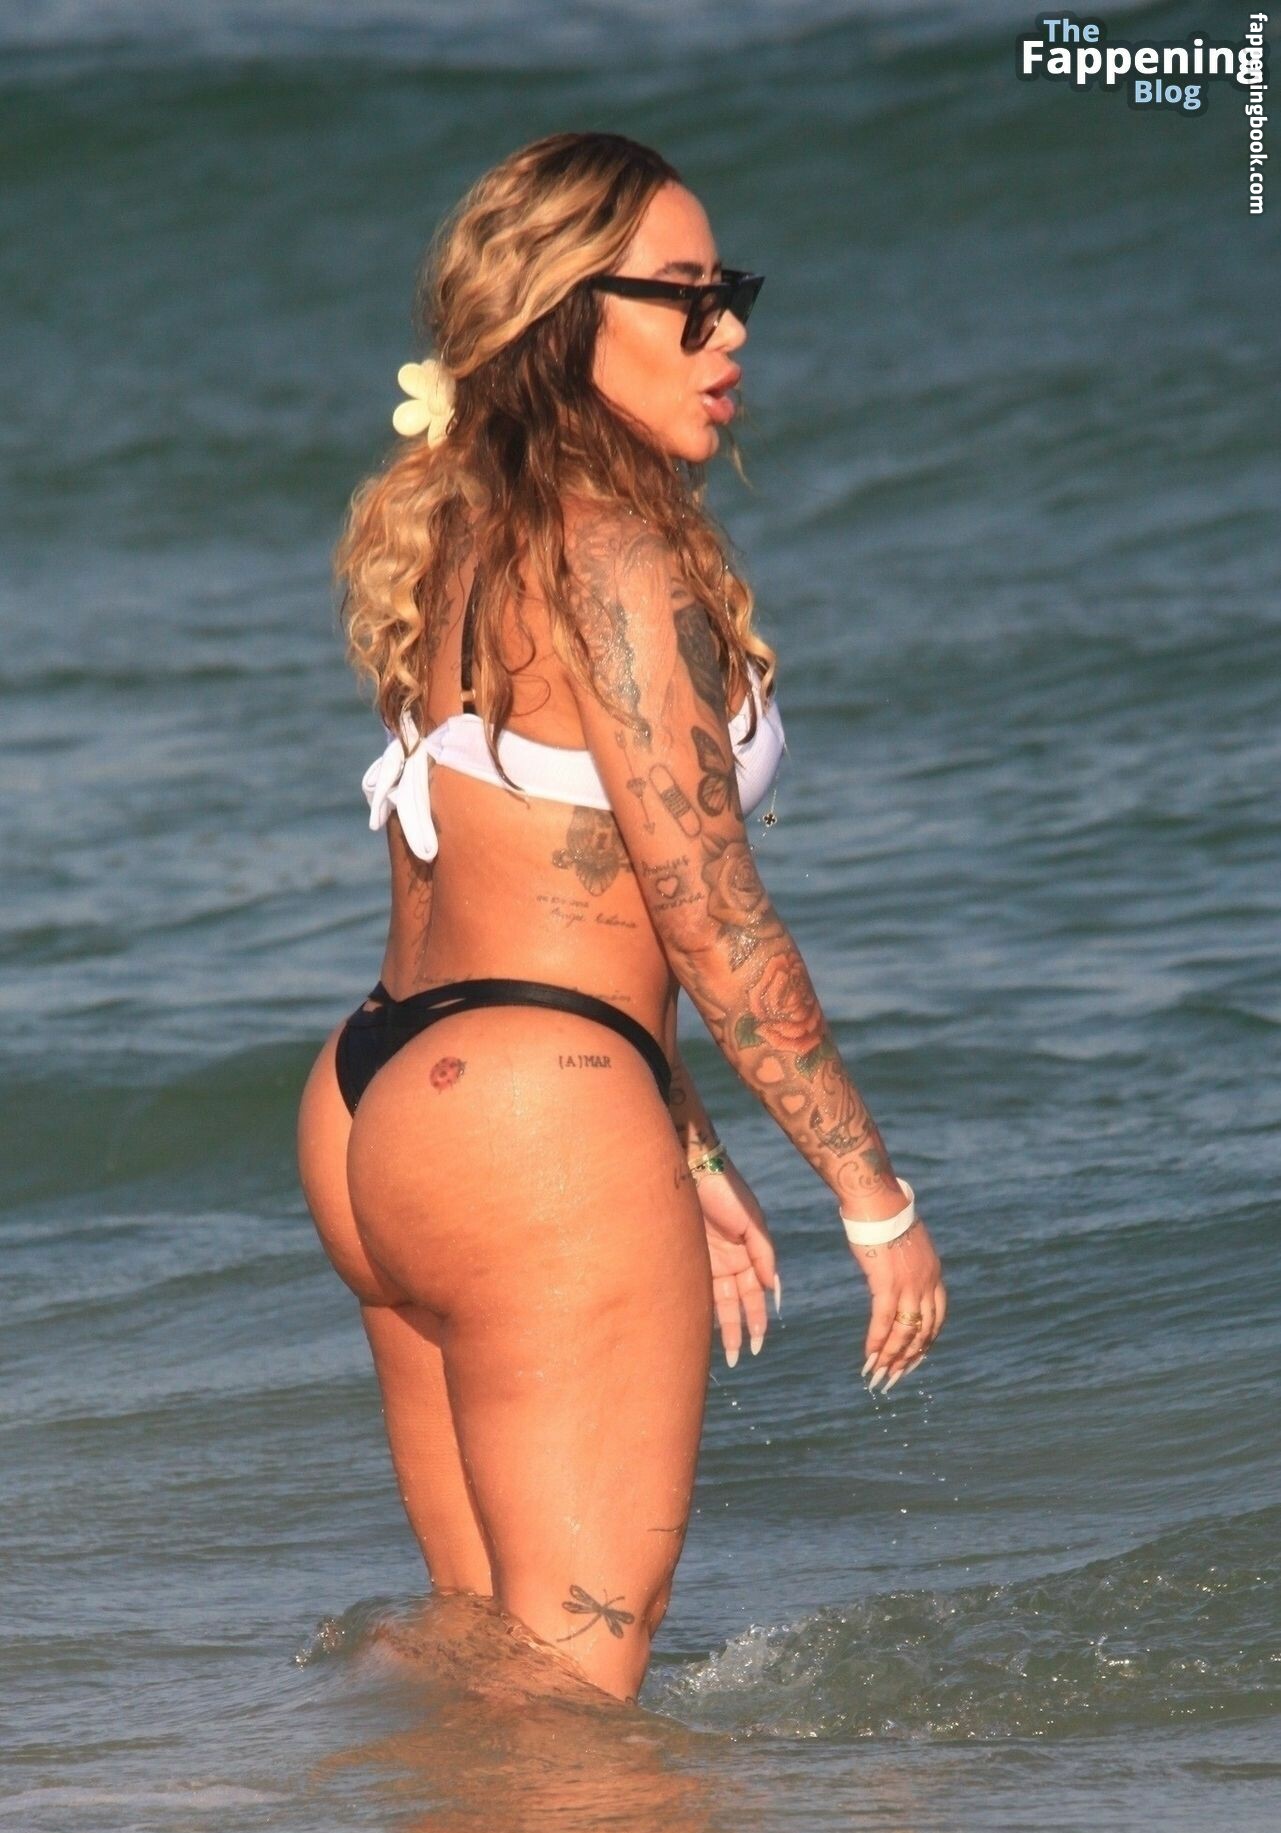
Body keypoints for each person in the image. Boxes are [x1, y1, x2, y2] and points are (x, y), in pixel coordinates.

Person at [296, 130, 946, 1708]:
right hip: (529, 1121)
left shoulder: (460, 528)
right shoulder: (614, 553)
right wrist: (873, 1200)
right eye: (684, 296)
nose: (728, 335)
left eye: (733, 295)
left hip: (381, 1096)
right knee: (575, 1691)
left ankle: (342, 1816)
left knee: (481, 1650)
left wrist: (688, 1145)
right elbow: (703, 909)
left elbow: (527, 881)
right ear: (565, 313)